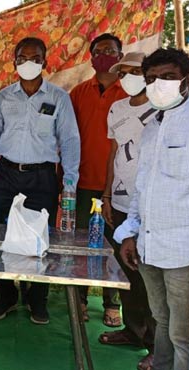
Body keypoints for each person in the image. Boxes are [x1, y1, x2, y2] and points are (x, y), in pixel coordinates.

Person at [0, 38, 80, 325]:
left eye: (34, 58)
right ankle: (6, 296)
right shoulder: (4, 97)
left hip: (42, 177)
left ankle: (37, 300)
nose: (28, 63)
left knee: (40, 239)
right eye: (21, 58)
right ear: (14, 63)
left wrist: (69, 183)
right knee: (1, 236)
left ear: (45, 62)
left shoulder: (58, 98)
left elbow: (70, 141)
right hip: (6, 174)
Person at [114, 48, 189, 370]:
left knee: (184, 335)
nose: (157, 84)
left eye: (167, 77)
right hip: (149, 247)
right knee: (161, 322)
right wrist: (129, 233)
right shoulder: (151, 128)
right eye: (151, 79)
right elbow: (142, 188)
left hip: (185, 252)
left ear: (187, 82)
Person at [99, 52, 156, 370]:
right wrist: (106, 194)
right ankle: (133, 332)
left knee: (151, 276)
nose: (129, 77)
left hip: (150, 205)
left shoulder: (161, 108)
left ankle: (155, 345)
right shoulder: (116, 108)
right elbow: (113, 154)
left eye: (136, 71)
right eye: (125, 72)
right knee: (129, 272)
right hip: (120, 203)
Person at [70, 33, 128, 325]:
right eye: (99, 51)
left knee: (115, 247)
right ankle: (79, 300)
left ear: (120, 55)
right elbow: (67, 138)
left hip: (119, 187)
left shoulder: (130, 91)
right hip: (83, 182)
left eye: (111, 50)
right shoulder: (78, 93)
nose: (105, 55)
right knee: (81, 244)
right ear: (91, 58)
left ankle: (111, 302)